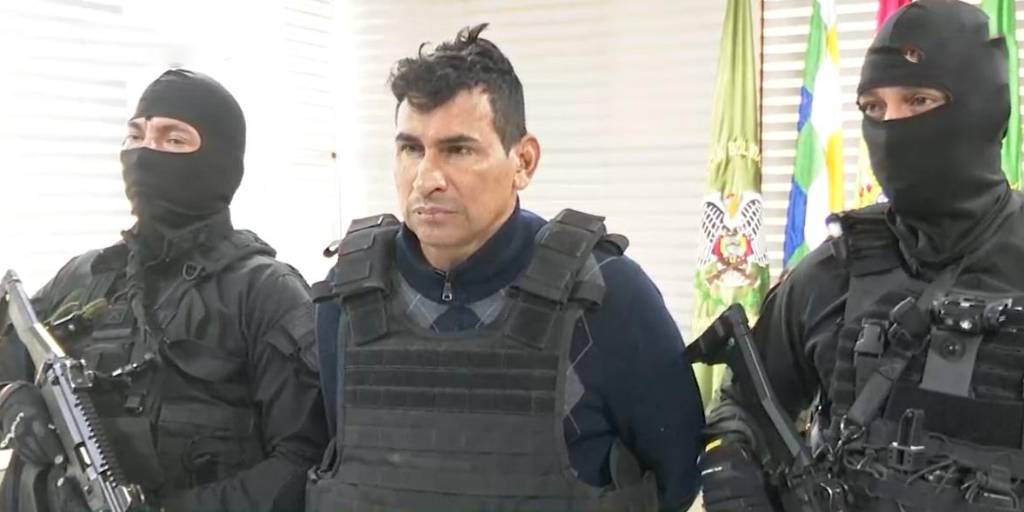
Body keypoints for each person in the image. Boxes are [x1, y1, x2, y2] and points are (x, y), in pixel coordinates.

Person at [305, 23, 704, 511]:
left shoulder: (607, 295)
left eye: (458, 150)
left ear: (524, 162)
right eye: (411, 148)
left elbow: (676, 478)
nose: (426, 179)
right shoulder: (346, 299)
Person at [701, 1, 1024, 510]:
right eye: (873, 107)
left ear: (983, 108)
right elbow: (744, 403)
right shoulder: (834, 271)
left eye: (918, 100)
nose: (891, 126)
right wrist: (735, 462)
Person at [0, 69, 327, 511]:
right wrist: (12, 399)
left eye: (173, 140)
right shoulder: (83, 277)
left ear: (220, 159)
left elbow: (304, 462)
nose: (145, 154)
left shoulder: (266, 293)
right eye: (136, 137)